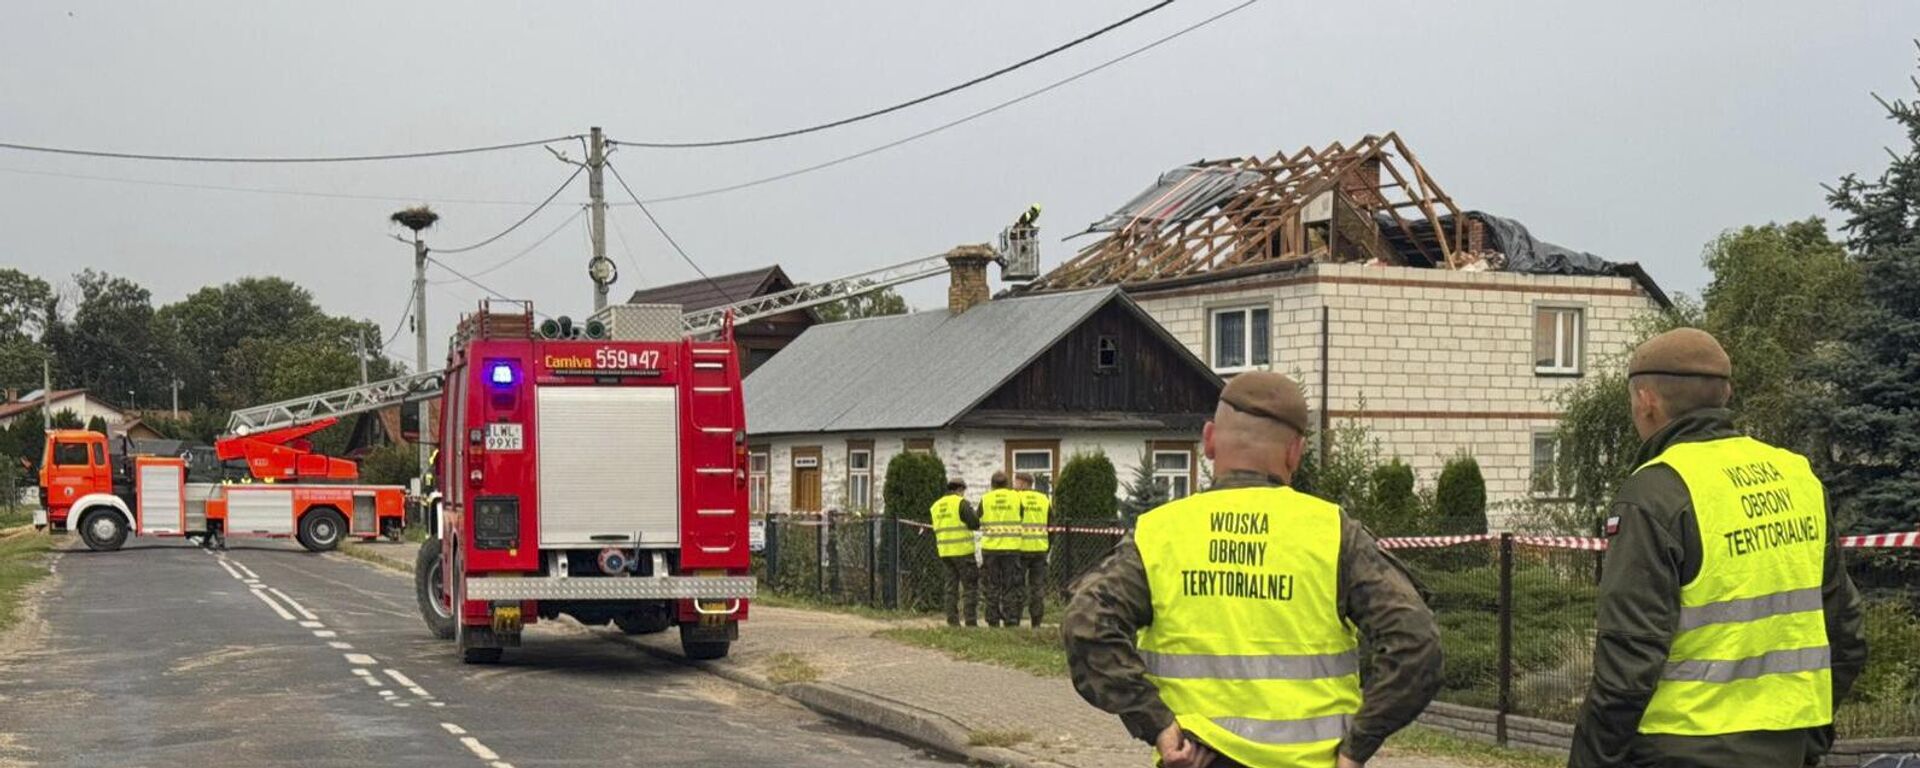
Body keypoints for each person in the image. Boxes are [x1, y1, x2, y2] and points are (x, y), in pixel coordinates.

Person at [1064, 371, 1442, 768]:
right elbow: (1416, 645)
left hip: (1197, 759)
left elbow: (1087, 625)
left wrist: (1155, 722)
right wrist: (1356, 748)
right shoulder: (1333, 534)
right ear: (1295, 452)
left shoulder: (1159, 533)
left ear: (1209, 440)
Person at [1569, 328, 1868, 768]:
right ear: (1724, 394)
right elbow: (1845, 631)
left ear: (1646, 399)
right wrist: (1807, 736)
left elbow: (1628, 660)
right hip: (1787, 747)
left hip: (1677, 750)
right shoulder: (1797, 477)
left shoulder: (1656, 492)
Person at [930, 479, 982, 627]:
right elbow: (974, 523)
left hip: (945, 552)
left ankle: (952, 621)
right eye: (963, 491)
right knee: (970, 586)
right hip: (963, 551)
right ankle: (970, 621)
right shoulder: (961, 503)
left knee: (950, 587)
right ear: (960, 489)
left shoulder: (936, 506)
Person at [978, 471, 1026, 628]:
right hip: (1011, 548)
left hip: (990, 549)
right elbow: (1021, 516)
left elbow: (978, 518)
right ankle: (1010, 619)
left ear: (992, 485)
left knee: (991, 585)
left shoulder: (985, 499)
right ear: (1007, 484)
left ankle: (993, 620)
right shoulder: (1016, 497)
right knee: (1010, 585)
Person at [1016, 473, 1052, 627]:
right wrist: (1047, 546)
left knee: (1018, 585)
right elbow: (1052, 526)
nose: (1015, 485)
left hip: (1021, 549)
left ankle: (1015, 619)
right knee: (1037, 588)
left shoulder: (1017, 499)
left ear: (1024, 483)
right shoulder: (1044, 500)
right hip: (1040, 549)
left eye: (1016, 482)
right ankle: (1036, 622)